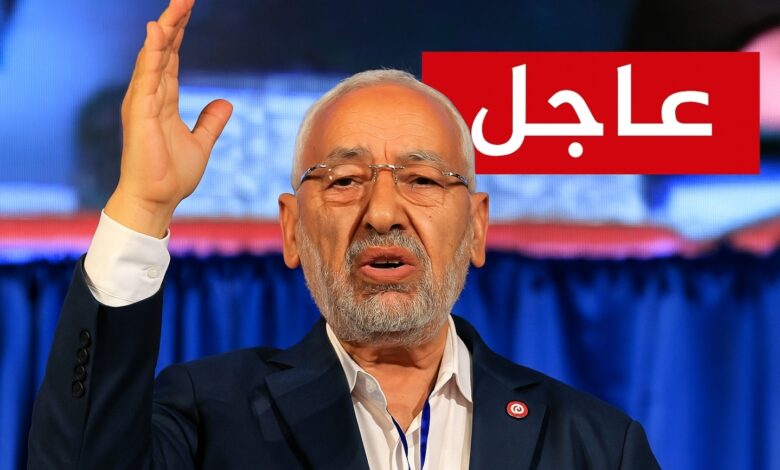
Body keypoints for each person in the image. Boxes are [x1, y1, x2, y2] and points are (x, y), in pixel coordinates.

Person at [28, 0, 660, 468]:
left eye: (422, 179)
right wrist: (143, 204)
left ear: (475, 227)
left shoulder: (596, 446)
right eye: (344, 180)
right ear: (292, 229)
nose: (382, 213)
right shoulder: (207, 417)